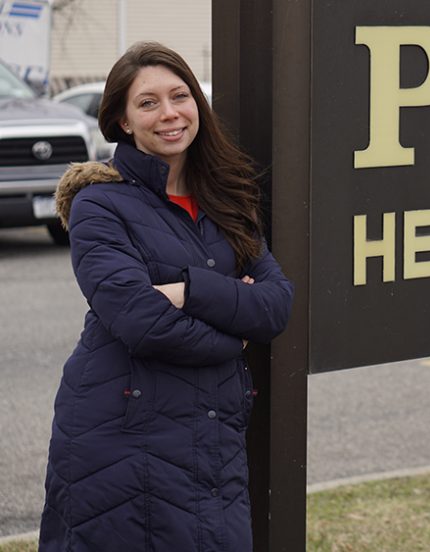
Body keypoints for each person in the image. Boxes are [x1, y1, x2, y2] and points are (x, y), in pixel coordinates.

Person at [39, 42, 294, 552]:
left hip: (213, 436)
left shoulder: (228, 197)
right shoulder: (98, 205)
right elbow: (142, 322)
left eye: (180, 95)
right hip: (122, 436)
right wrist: (236, 336)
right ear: (123, 122)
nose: (169, 113)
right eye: (148, 103)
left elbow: (277, 304)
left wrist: (189, 290)